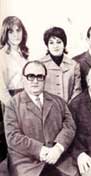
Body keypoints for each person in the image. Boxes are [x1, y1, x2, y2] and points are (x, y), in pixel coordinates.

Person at [4, 60, 77, 176]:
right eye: (30, 76)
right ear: (23, 78)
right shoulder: (12, 104)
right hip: (27, 163)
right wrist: (41, 150)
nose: (35, 81)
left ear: (45, 79)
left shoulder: (58, 101)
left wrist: (58, 148)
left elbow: (69, 126)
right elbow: (12, 137)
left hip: (59, 159)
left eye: (40, 77)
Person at [0, 16, 29, 162]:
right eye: (11, 32)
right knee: (14, 136)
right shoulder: (2, 55)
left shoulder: (25, 53)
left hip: (27, 97)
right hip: (10, 99)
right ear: (5, 34)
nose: (16, 35)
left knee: (27, 136)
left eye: (19, 30)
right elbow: (1, 88)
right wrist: (12, 106)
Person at [40, 27, 81, 102]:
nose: (55, 46)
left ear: (64, 44)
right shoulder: (40, 65)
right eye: (51, 43)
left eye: (59, 42)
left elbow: (77, 90)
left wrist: (69, 107)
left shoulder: (74, 65)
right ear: (47, 46)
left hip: (69, 109)